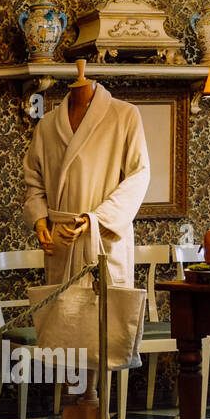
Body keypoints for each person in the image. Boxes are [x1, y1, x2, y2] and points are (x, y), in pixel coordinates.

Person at [22, 68, 149, 292]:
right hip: (61, 238)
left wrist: (97, 219)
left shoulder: (125, 115)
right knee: (64, 319)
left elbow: (139, 174)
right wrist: (40, 219)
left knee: (108, 321)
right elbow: (34, 179)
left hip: (102, 236)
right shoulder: (47, 124)